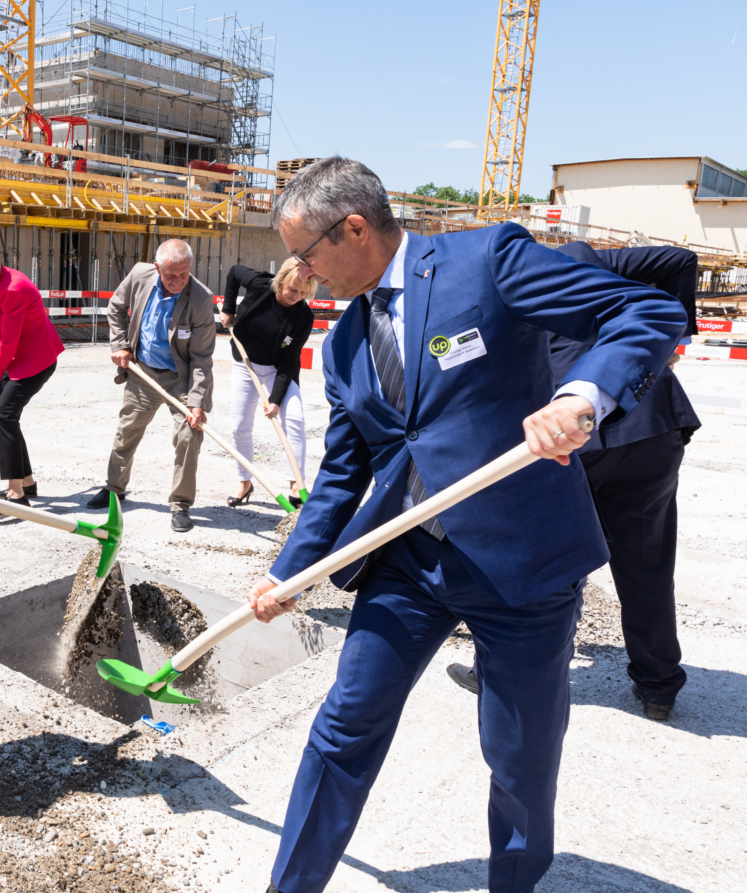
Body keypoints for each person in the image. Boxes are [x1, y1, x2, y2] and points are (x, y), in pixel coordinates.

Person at [247, 157, 683, 893]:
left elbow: (646, 311)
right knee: (342, 729)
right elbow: (344, 472)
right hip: (409, 562)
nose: (304, 272)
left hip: (522, 564)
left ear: (352, 228)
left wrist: (583, 394)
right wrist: (292, 566)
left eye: (307, 253)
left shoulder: (486, 261)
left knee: (520, 758)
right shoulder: (348, 344)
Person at [448, 243, 700, 721]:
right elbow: (680, 260)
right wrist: (672, 340)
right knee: (645, 558)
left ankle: (501, 672)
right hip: (654, 418)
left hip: (576, 428)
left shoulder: (497, 279)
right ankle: (658, 687)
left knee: (547, 557)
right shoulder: (584, 256)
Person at [88, 238, 215, 532]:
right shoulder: (139, 275)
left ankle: (180, 504)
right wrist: (120, 345)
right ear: (157, 267)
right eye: (170, 274)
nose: (177, 281)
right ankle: (114, 489)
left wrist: (196, 401)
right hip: (143, 372)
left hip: (180, 379)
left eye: (184, 274)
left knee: (188, 436)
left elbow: (201, 356)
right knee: (127, 432)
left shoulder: (200, 298)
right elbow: (116, 308)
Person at [0, 236, 65, 504]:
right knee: (6, 418)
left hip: (36, 360)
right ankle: (27, 483)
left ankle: (16, 493)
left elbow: (9, 342)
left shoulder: (13, 289)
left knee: (3, 417)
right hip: (17, 359)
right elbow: (6, 340)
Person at [219, 256, 315, 507]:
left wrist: (275, 400)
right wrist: (228, 309)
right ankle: (244, 482)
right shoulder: (261, 285)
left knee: (294, 418)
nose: (296, 296)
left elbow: (289, 360)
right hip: (245, 363)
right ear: (281, 281)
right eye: (292, 289)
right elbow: (234, 271)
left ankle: (297, 484)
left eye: (303, 292)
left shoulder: (303, 316)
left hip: (278, 370)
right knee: (240, 427)